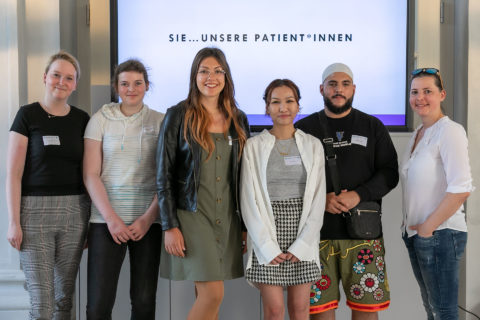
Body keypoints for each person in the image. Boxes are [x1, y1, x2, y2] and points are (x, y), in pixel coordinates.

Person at [295, 63, 399, 320]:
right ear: (322, 89)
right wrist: (320, 199)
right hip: (315, 237)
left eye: (344, 84)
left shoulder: (372, 126)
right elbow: (292, 178)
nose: (338, 90)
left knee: (365, 310)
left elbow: (389, 173)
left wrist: (358, 195)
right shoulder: (304, 128)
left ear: (353, 89)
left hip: (364, 236)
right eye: (332, 84)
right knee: (320, 313)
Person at [156, 47, 249, 320]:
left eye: (218, 71)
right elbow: (163, 174)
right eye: (204, 71)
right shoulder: (177, 115)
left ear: (226, 77)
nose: (212, 77)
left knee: (207, 297)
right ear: (194, 76)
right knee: (213, 294)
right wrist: (169, 225)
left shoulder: (238, 118)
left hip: (227, 216)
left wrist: (243, 225)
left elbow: (243, 176)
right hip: (192, 215)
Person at [6, 51, 90, 319]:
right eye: (56, 75)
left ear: (75, 84)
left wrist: (89, 222)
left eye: (69, 77)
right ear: (45, 77)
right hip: (33, 215)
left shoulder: (82, 119)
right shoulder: (27, 115)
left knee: (63, 300)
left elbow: (89, 174)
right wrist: (13, 221)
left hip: (74, 214)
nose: (61, 82)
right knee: (41, 304)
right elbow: (13, 174)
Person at [83, 59, 164, 320]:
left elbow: (167, 177)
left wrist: (148, 218)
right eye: (125, 83)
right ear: (116, 87)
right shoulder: (100, 119)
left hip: (147, 223)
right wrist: (111, 219)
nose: (131, 89)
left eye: (138, 83)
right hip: (105, 222)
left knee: (143, 304)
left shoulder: (161, 121)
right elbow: (90, 174)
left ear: (147, 86)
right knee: (98, 306)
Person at [240, 79, 325, 320]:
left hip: (303, 232)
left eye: (289, 101)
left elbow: (318, 199)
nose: (283, 107)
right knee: (274, 310)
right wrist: (266, 245)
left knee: (300, 310)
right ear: (266, 108)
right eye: (275, 102)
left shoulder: (313, 145)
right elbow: (249, 199)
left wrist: (303, 244)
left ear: (298, 106)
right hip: (266, 230)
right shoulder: (253, 146)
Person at [400, 68, 473, 320]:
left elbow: (461, 188)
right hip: (417, 235)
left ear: (442, 95)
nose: (420, 98)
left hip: (441, 235)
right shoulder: (418, 134)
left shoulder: (450, 130)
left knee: (443, 312)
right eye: (415, 92)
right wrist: (416, 232)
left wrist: (427, 229)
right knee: (432, 309)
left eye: (427, 91)